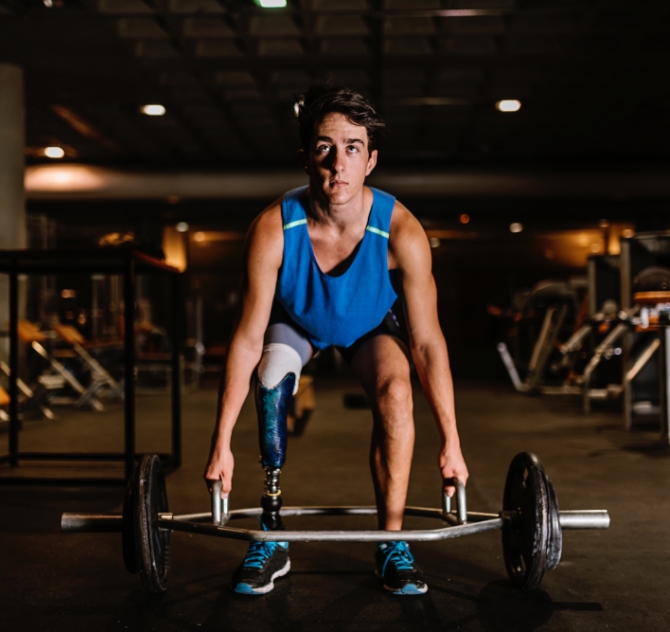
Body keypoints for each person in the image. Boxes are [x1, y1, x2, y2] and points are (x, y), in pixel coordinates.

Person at [204, 85, 468, 596]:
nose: (338, 164)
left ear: (371, 160)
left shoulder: (402, 232)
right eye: (325, 148)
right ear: (306, 158)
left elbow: (429, 342)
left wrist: (451, 441)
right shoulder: (273, 229)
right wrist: (221, 444)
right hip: (296, 323)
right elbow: (245, 339)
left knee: (396, 393)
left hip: (369, 328)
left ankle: (390, 541)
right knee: (270, 378)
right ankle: (271, 533)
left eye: (352, 148)